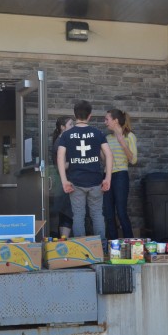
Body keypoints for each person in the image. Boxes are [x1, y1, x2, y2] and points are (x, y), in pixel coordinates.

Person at [57, 100, 113, 238]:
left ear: (75, 115)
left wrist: (64, 181)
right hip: (95, 181)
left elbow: (60, 157)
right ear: (90, 116)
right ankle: (101, 247)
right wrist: (108, 178)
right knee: (97, 215)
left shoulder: (66, 135)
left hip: (76, 181)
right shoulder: (97, 133)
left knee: (78, 216)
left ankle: (81, 250)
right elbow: (109, 155)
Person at [103, 109, 137, 240]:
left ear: (115, 120)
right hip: (107, 176)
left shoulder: (130, 136)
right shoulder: (106, 138)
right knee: (109, 214)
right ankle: (112, 245)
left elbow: (133, 160)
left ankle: (131, 244)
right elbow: (105, 160)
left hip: (121, 176)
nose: (105, 122)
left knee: (121, 212)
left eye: (107, 119)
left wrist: (122, 142)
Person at [51, 116, 74, 238]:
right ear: (62, 127)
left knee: (65, 212)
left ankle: (63, 243)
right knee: (67, 212)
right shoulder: (60, 142)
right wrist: (77, 161)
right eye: (70, 125)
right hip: (62, 181)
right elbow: (63, 165)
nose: (73, 127)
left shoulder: (61, 141)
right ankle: (64, 243)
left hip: (61, 181)